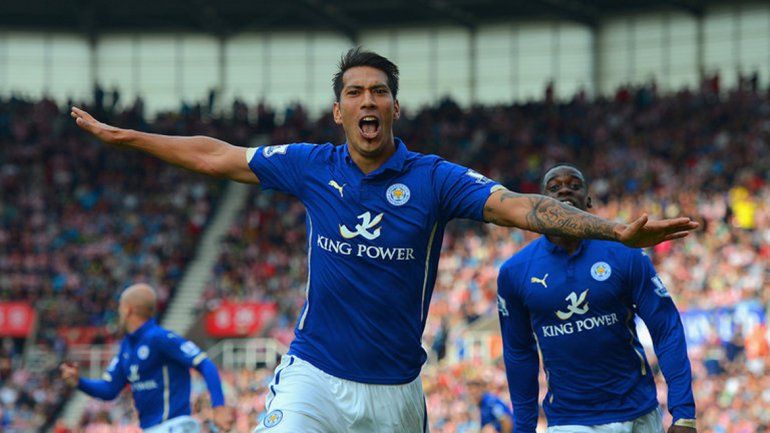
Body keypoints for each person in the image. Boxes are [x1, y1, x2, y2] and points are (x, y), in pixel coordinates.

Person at [70, 48, 698, 433]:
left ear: (395, 107)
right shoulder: (311, 164)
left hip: (396, 393)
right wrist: (130, 137)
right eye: (354, 92)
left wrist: (613, 230)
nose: (367, 100)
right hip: (314, 372)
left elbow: (520, 206)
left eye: (379, 91)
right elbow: (216, 155)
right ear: (338, 110)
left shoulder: (434, 179)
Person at [496, 164, 697, 433]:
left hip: (638, 414)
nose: (565, 189)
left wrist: (683, 413)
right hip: (570, 421)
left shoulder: (625, 254)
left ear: (588, 200)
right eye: (553, 188)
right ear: (538, 204)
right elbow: (519, 353)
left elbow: (666, 328)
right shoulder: (515, 271)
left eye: (574, 185)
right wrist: (524, 428)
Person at [60, 284, 233, 433]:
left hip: (174, 425)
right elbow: (109, 389)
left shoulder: (160, 338)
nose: (119, 312)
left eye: (120, 307)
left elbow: (205, 364)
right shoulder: (127, 348)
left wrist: (218, 407)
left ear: (128, 310)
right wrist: (79, 382)